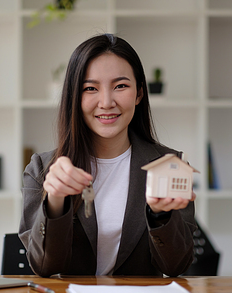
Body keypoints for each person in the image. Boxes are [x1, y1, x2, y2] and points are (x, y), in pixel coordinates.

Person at [19, 33, 196, 277]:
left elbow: (177, 266)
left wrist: (160, 215)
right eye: (90, 88)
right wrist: (55, 200)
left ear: (139, 93)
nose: (106, 102)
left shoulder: (169, 166)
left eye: (120, 86)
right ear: (75, 97)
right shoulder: (42, 170)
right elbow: (45, 266)